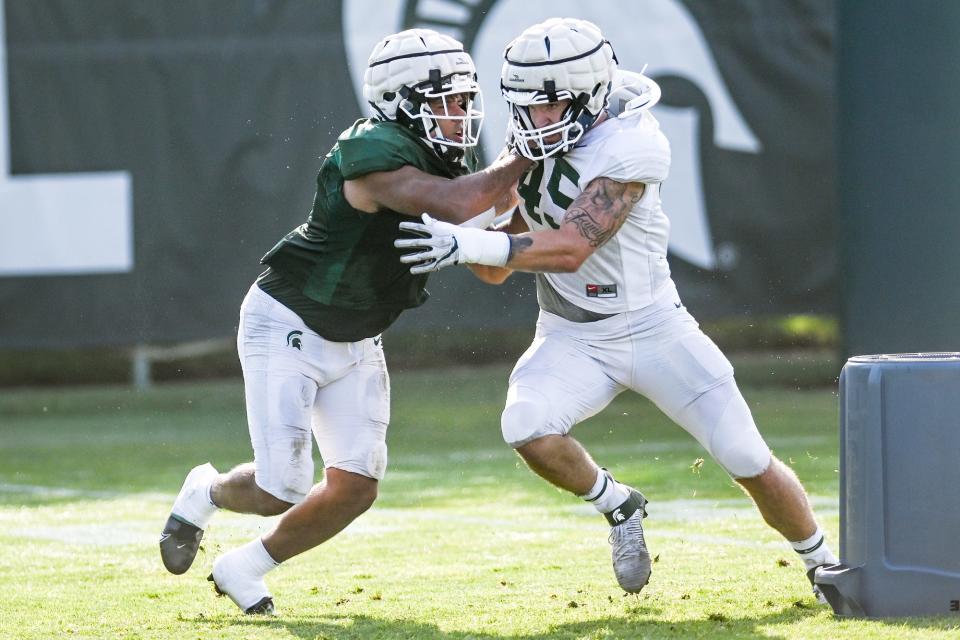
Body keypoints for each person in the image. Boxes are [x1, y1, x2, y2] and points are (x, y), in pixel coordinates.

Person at [395, 17, 837, 601]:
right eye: (525, 106)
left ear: (586, 95)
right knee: (525, 426)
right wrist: (476, 226)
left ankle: (825, 564)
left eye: (547, 106)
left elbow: (573, 247)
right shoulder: (531, 137)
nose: (534, 120)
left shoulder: (632, 142)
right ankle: (618, 504)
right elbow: (495, 268)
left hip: (654, 328)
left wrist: (472, 241)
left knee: (744, 454)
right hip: (570, 334)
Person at [159, 28, 530, 614]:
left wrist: (516, 212)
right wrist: (526, 154)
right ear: (404, 100)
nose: (462, 113)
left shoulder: (446, 161)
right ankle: (204, 490)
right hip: (289, 322)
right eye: (449, 99)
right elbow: (457, 204)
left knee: (355, 486)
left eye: (465, 98)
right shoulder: (370, 149)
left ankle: (244, 567)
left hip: (357, 336)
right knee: (277, 488)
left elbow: (491, 268)